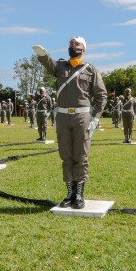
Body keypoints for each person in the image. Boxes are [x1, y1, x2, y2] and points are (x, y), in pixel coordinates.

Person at [33, 37, 106, 209]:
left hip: (82, 117)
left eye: (77, 44)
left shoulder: (91, 70)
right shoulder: (60, 67)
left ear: (84, 49)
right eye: (71, 44)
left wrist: (95, 118)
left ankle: (79, 193)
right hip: (63, 117)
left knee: (81, 156)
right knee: (66, 155)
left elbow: (101, 96)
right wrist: (43, 55)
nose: (73, 46)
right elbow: (48, 62)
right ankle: (69, 193)